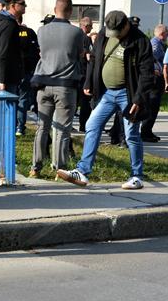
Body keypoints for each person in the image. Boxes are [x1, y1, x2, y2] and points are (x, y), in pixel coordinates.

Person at [56, 11, 153, 190]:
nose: (113, 35)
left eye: (117, 32)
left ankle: (136, 176)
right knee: (92, 126)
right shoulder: (104, 33)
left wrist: (138, 99)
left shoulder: (140, 40)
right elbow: (95, 58)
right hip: (107, 93)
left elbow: (147, 72)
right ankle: (83, 171)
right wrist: (89, 81)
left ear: (125, 26)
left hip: (129, 95)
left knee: (131, 134)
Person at [29, 0, 86, 177]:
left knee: (42, 127)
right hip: (65, 85)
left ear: (55, 9)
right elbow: (78, 55)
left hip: (43, 84)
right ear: (70, 11)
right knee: (62, 128)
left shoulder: (41, 31)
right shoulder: (77, 33)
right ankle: (59, 169)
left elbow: (41, 52)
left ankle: (35, 168)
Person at [140, 24, 168, 143]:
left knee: (154, 107)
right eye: (167, 33)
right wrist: (153, 70)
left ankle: (148, 130)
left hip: (156, 79)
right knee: (152, 106)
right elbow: (148, 58)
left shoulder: (158, 43)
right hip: (154, 80)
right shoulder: (155, 45)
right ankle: (145, 132)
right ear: (162, 34)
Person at [16, 16, 40, 136]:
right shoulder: (30, 32)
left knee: (12, 100)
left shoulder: (9, 30)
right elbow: (36, 52)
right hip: (27, 71)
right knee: (23, 99)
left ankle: (11, 125)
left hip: (12, 72)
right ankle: (20, 127)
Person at [77, 16, 94, 133]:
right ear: (86, 26)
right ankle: (83, 125)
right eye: (91, 26)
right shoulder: (86, 39)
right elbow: (88, 56)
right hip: (83, 73)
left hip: (75, 72)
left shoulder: (75, 36)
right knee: (85, 101)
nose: (92, 28)